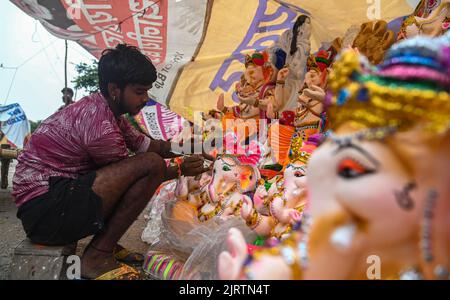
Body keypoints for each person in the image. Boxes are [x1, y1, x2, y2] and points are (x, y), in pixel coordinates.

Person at [12, 44, 208, 280]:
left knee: (150, 161)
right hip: (46, 213)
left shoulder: (110, 113)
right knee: (151, 166)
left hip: (56, 200)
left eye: (147, 91)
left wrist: (201, 146)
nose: (145, 98)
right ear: (115, 89)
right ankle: (96, 256)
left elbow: (152, 145)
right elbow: (139, 173)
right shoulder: (98, 124)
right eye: (139, 91)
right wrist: (180, 169)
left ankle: (104, 245)